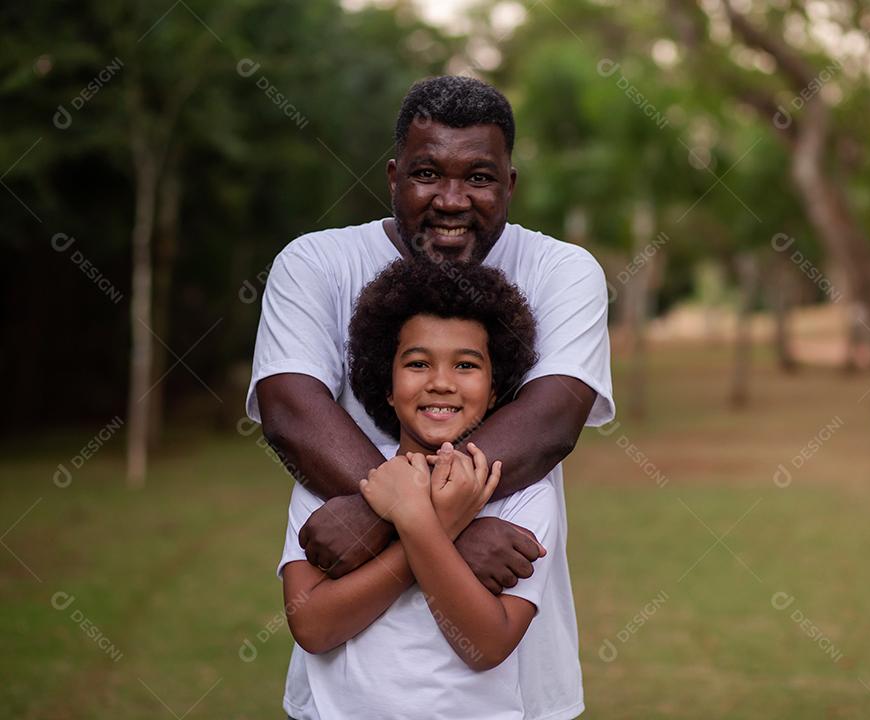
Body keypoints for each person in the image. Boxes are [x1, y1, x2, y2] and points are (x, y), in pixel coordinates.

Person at [247, 75, 614, 720]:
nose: (452, 199)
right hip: (341, 696)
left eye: (478, 177)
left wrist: (400, 518)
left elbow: (549, 423)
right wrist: (442, 529)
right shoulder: (315, 263)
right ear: (393, 177)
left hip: (515, 694)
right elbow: (291, 411)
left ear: (510, 184)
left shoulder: (563, 271)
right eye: (426, 174)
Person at [281, 258, 561, 718]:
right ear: (387, 383)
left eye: (467, 365)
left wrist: (416, 518)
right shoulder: (328, 485)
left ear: (495, 389)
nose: (441, 383)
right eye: (417, 363)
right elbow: (312, 627)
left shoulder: (527, 495)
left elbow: (486, 645)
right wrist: (441, 523)